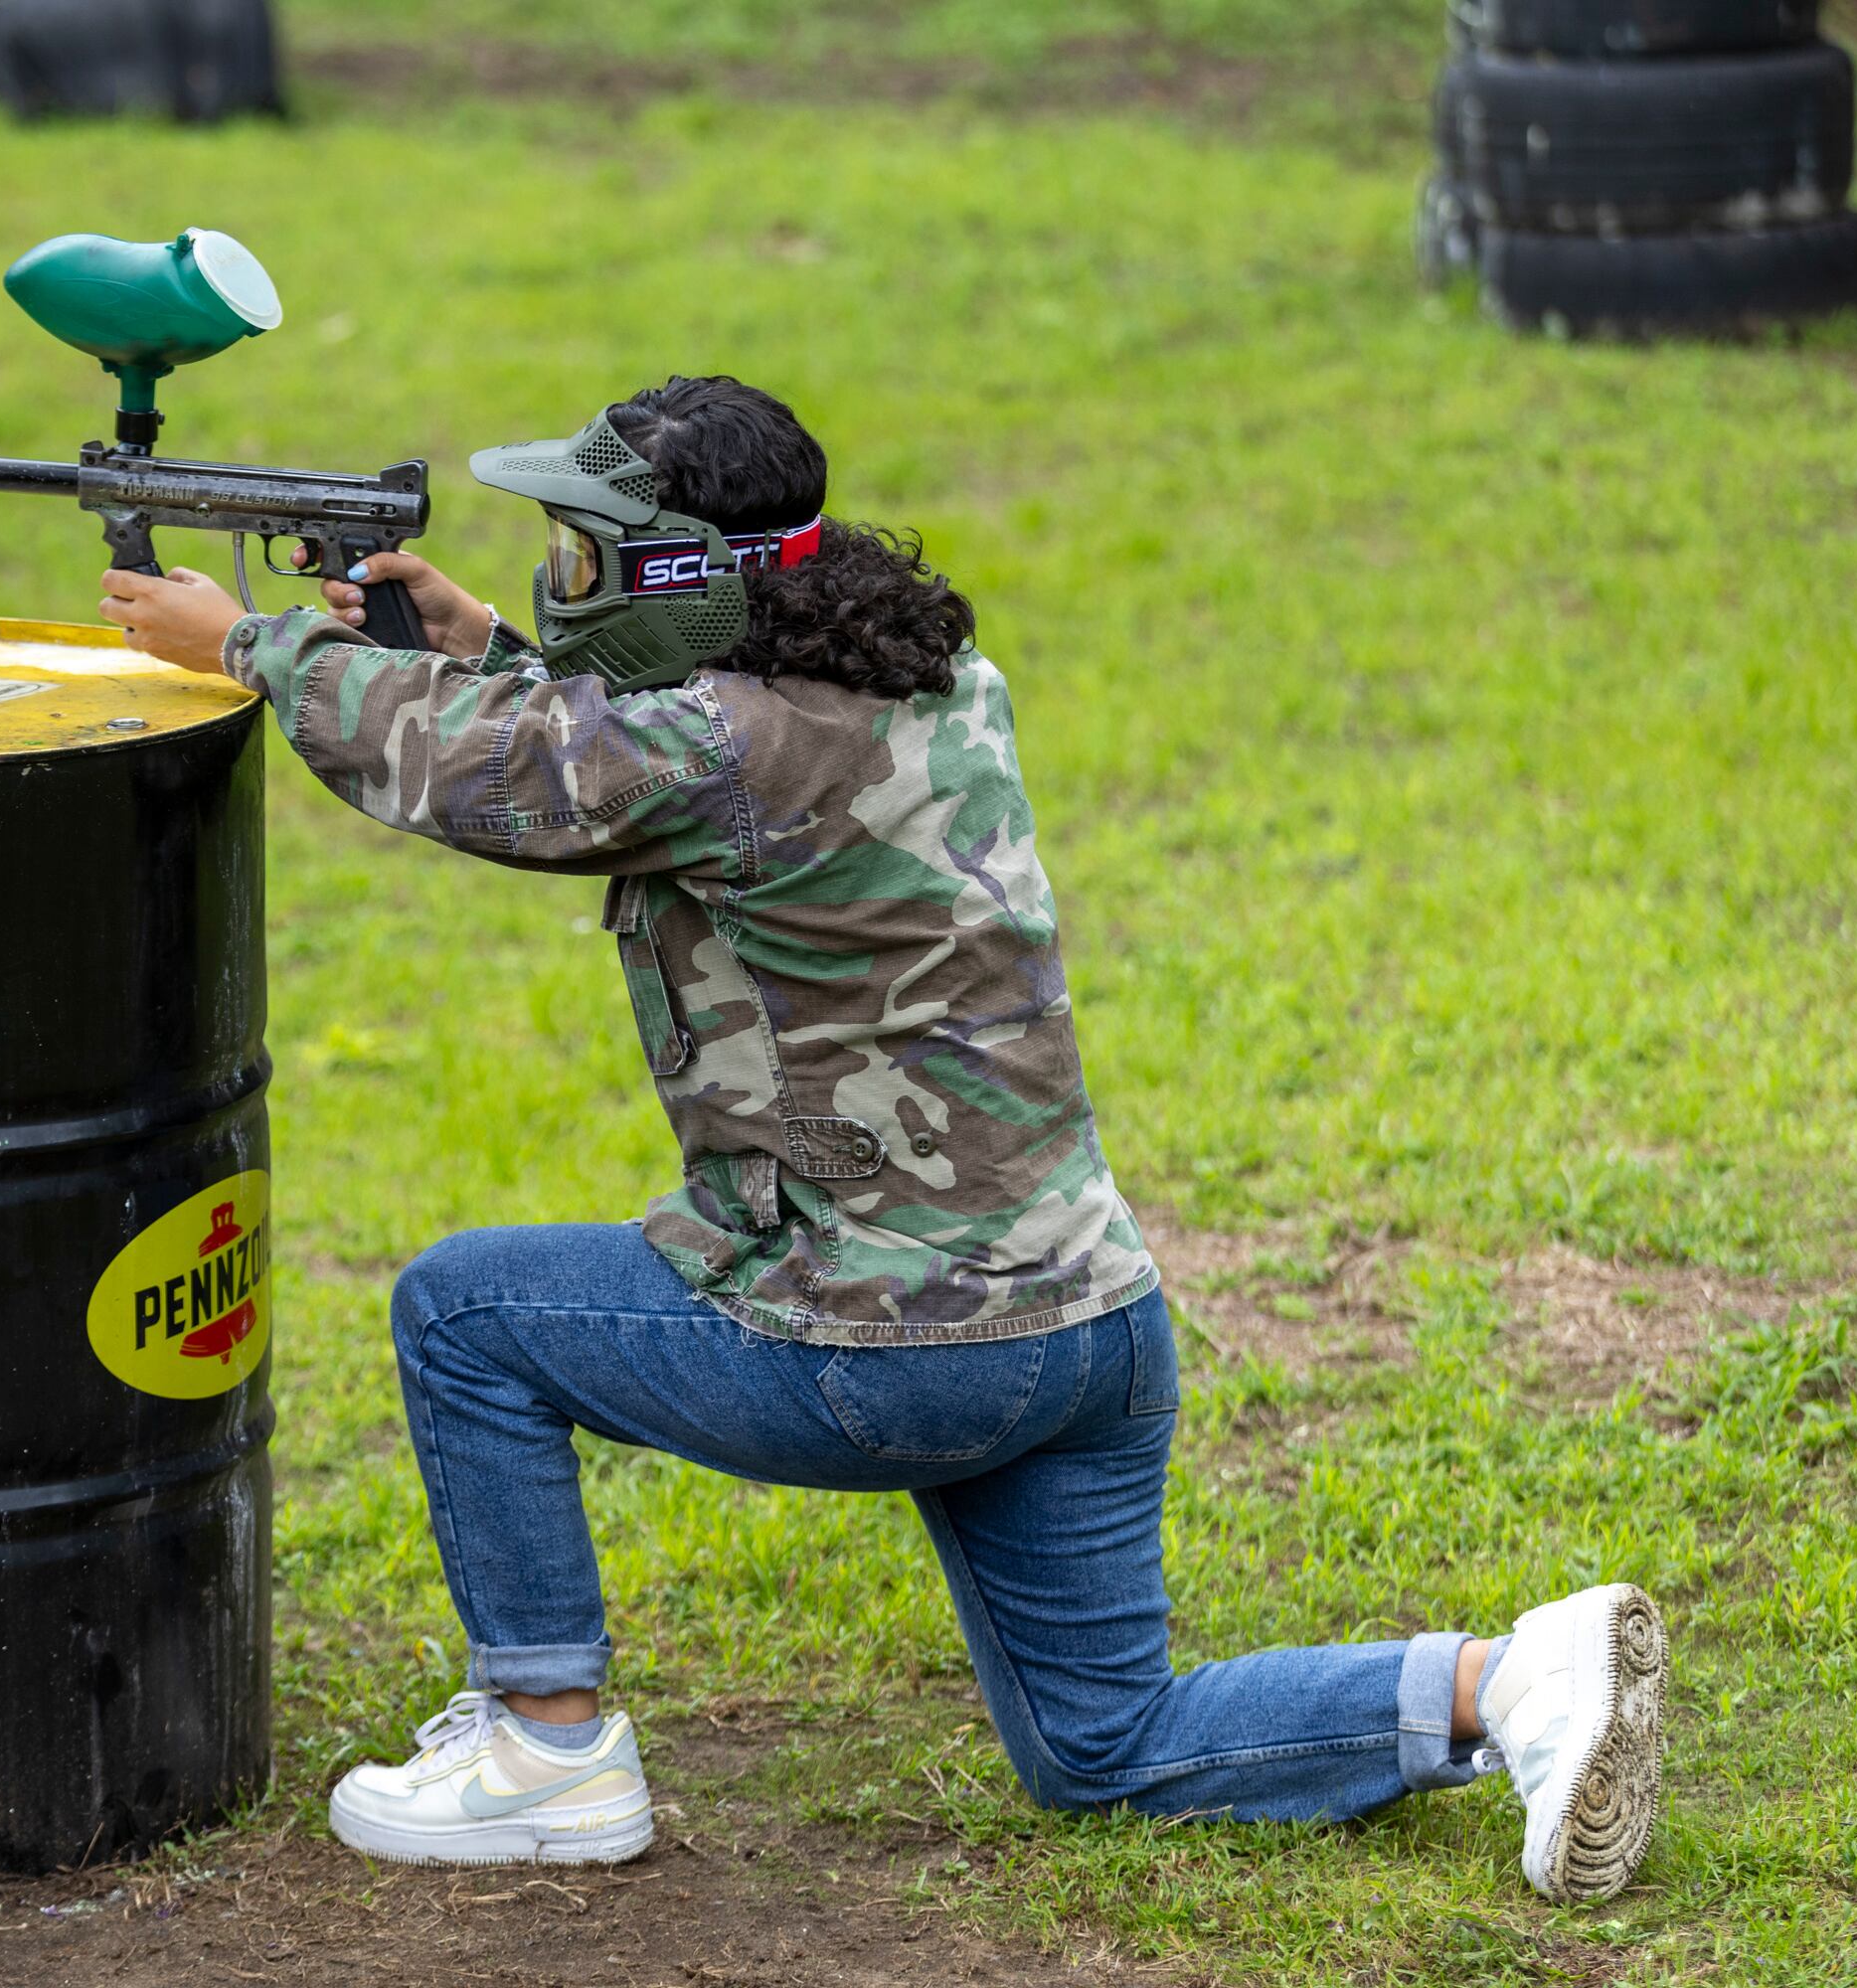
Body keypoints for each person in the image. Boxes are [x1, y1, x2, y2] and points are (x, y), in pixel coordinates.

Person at [98, 375, 1668, 1904]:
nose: (561, 578)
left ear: (678, 576)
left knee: (463, 1315)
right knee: (1105, 1746)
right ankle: (1512, 1680)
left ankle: (544, 1746)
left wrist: (249, 643)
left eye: (584, 555)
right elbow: (641, 762)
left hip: (897, 1348)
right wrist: (482, 645)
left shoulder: (715, 745)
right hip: (1089, 1330)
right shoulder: (923, 680)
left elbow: (509, 774)